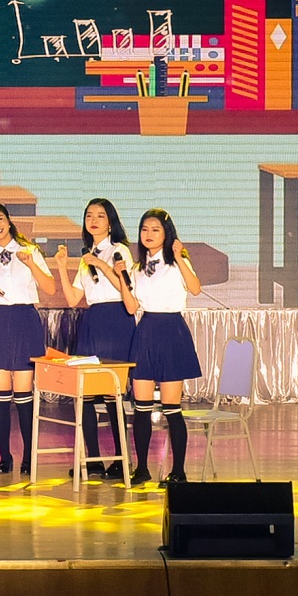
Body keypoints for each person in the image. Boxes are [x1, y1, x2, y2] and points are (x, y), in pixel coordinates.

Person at [112, 209, 204, 486]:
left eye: (155, 230)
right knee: (141, 407)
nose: (149, 234)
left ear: (167, 234)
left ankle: (179, 471)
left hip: (172, 331)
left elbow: (195, 288)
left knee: (171, 407)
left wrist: (179, 257)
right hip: (146, 331)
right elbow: (131, 307)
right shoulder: (138, 268)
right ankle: (142, 468)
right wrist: (121, 278)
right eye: (144, 229)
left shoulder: (177, 262)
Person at [52, 199, 137, 481]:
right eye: (89, 215)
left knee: (113, 392)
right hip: (93, 320)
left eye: (100, 215)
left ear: (110, 222)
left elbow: (126, 288)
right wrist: (62, 267)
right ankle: (93, 459)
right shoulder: (86, 256)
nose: (94, 220)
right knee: (84, 393)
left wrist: (100, 263)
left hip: (116, 320)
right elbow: (73, 298)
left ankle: (122, 460)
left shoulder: (119, 250)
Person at [0, 203, 57, 476]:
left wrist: (31, 264)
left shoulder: (29, 250)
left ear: (9, 221)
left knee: (23, 394)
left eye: (0, 219)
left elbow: (50, 288)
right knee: (0, 393)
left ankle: (29, 456)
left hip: (24, 320)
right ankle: (4, 456)